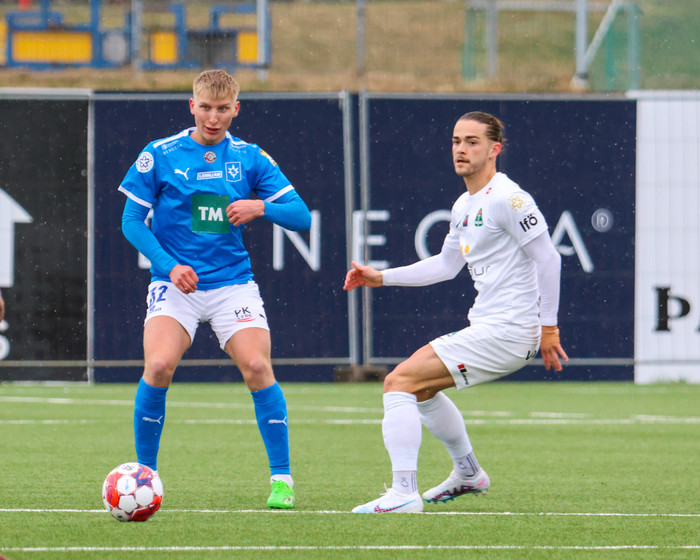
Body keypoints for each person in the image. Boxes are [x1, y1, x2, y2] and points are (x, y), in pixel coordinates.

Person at [344, 111, 568, 514]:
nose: (461, 149)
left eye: (472, 142)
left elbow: (549, 260)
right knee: (422, 390)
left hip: (509, 330)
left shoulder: (509, 199)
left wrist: (548, 327)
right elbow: (446, 266)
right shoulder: (464, 203)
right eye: (455, 141)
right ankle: (468, 473)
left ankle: (403, 493)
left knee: (398, 382)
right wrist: (381, 277)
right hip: (491, 326)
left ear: (495, 149)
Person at [118, 69, 311, 509]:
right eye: (205, 107)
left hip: (232, 285)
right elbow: (131, 222)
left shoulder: (250, 157)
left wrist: (261, 207)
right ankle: (145, 476)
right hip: (176, 284)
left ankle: (282, 479)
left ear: (236, 109)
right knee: (159, 365)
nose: (213, 117)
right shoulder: (160, 154)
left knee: (258, 366)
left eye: (223, 109)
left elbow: (301, 216)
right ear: (192, 105)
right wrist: (169, 266)